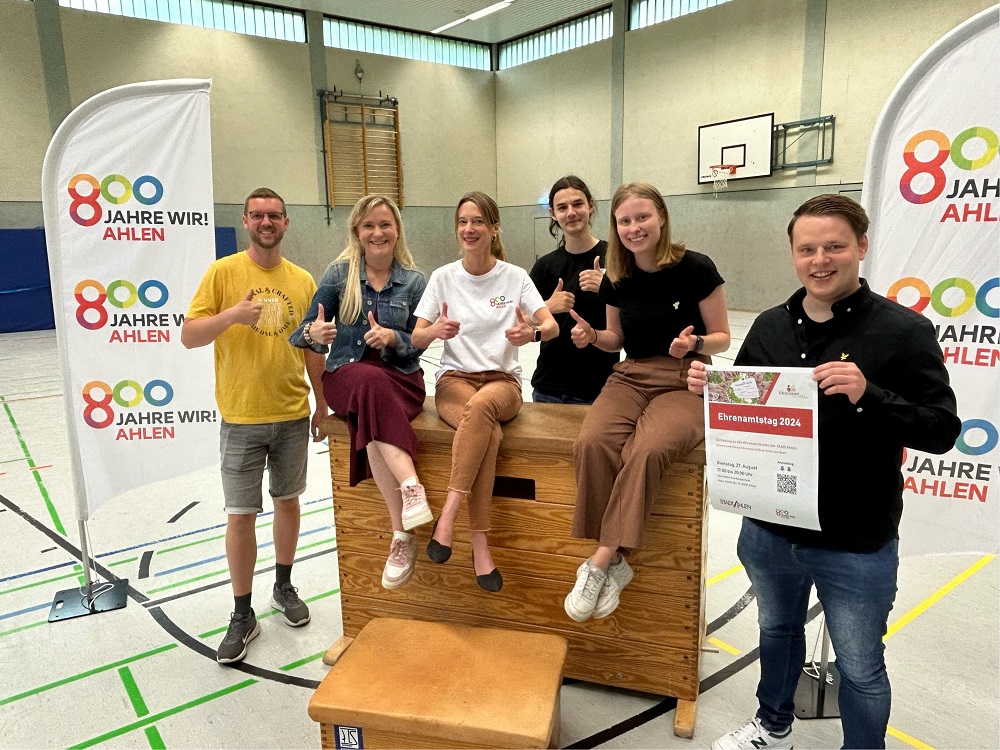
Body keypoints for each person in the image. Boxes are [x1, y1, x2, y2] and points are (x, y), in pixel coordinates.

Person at [688, 195, 961, 750]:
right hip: (770, 528)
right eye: (806, 249)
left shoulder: (903, 332)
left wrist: (871, 395)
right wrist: (711, 390)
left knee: (860, 666)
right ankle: (773, 725)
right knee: (776, 632)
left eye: (834, 246)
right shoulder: (769, 327)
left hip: (855, 537)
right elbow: (747, 411)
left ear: (861, 246)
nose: (820, 260)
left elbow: (940, 429)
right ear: (792, 254)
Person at [563, 181, 730, 622]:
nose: (634, 227)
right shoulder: (618, 278)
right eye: (625, 221)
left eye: (642, 217)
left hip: (683, 379)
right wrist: (591, 337)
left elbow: (723, 337)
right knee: (592, 443)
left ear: (661, 217)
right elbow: (615, 339)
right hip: (631, 375)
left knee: (648, 450)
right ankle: (616, 562)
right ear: (615, 227)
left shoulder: (697, 268)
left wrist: (694, 343)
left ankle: (601, 557)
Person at [182, 187, 325, 664]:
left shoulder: (303, 280)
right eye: (258, 215)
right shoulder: (223, 273)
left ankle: (283, 586)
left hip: (291, 414)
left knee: (288, 502)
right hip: (241, 416)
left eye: (275, 216)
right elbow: (189, 336)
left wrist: (322, 405)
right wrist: (233, 315)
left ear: (286, 223)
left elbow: (311, 350)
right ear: (245, 221)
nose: (267, 222)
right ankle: (242, 615)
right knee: (240, 515)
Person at [411, 191, 558, 592]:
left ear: (494, 228)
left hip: (502, 384)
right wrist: (433, 332)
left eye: (478, 221)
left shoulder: (514, 277)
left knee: (483, 411)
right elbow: (417, 337)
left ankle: (448, 516)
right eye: (463, 222)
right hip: (454, 383)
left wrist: (532, 332)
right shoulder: (443, 277)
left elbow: (552, 326)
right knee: (485, 431)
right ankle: (479, 542)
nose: (469, 229)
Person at [289, 195, 430, 591]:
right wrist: (314, 335)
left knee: (374, 403)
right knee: (368, 381)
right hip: (347, 378)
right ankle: (410, 487)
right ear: (357, 232)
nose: (377, 232)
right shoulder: (338, 276)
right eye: (369, 225)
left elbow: (420, 341)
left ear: (397, 230)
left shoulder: (415, 281)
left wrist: (395, 338)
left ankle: (401, 534)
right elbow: (301, 332)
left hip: (401, 379)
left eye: (385, 224)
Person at [528, 175, 619, 404]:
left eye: (578, 204)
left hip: (599, 387)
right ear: (553, 214)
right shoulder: (545, 266)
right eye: (562, 207)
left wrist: (607, 288)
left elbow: (636, 316)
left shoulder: (617, 258)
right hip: (548, 387)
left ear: (590, 205)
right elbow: (520, 320)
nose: (571, 212)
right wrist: (546, 307)